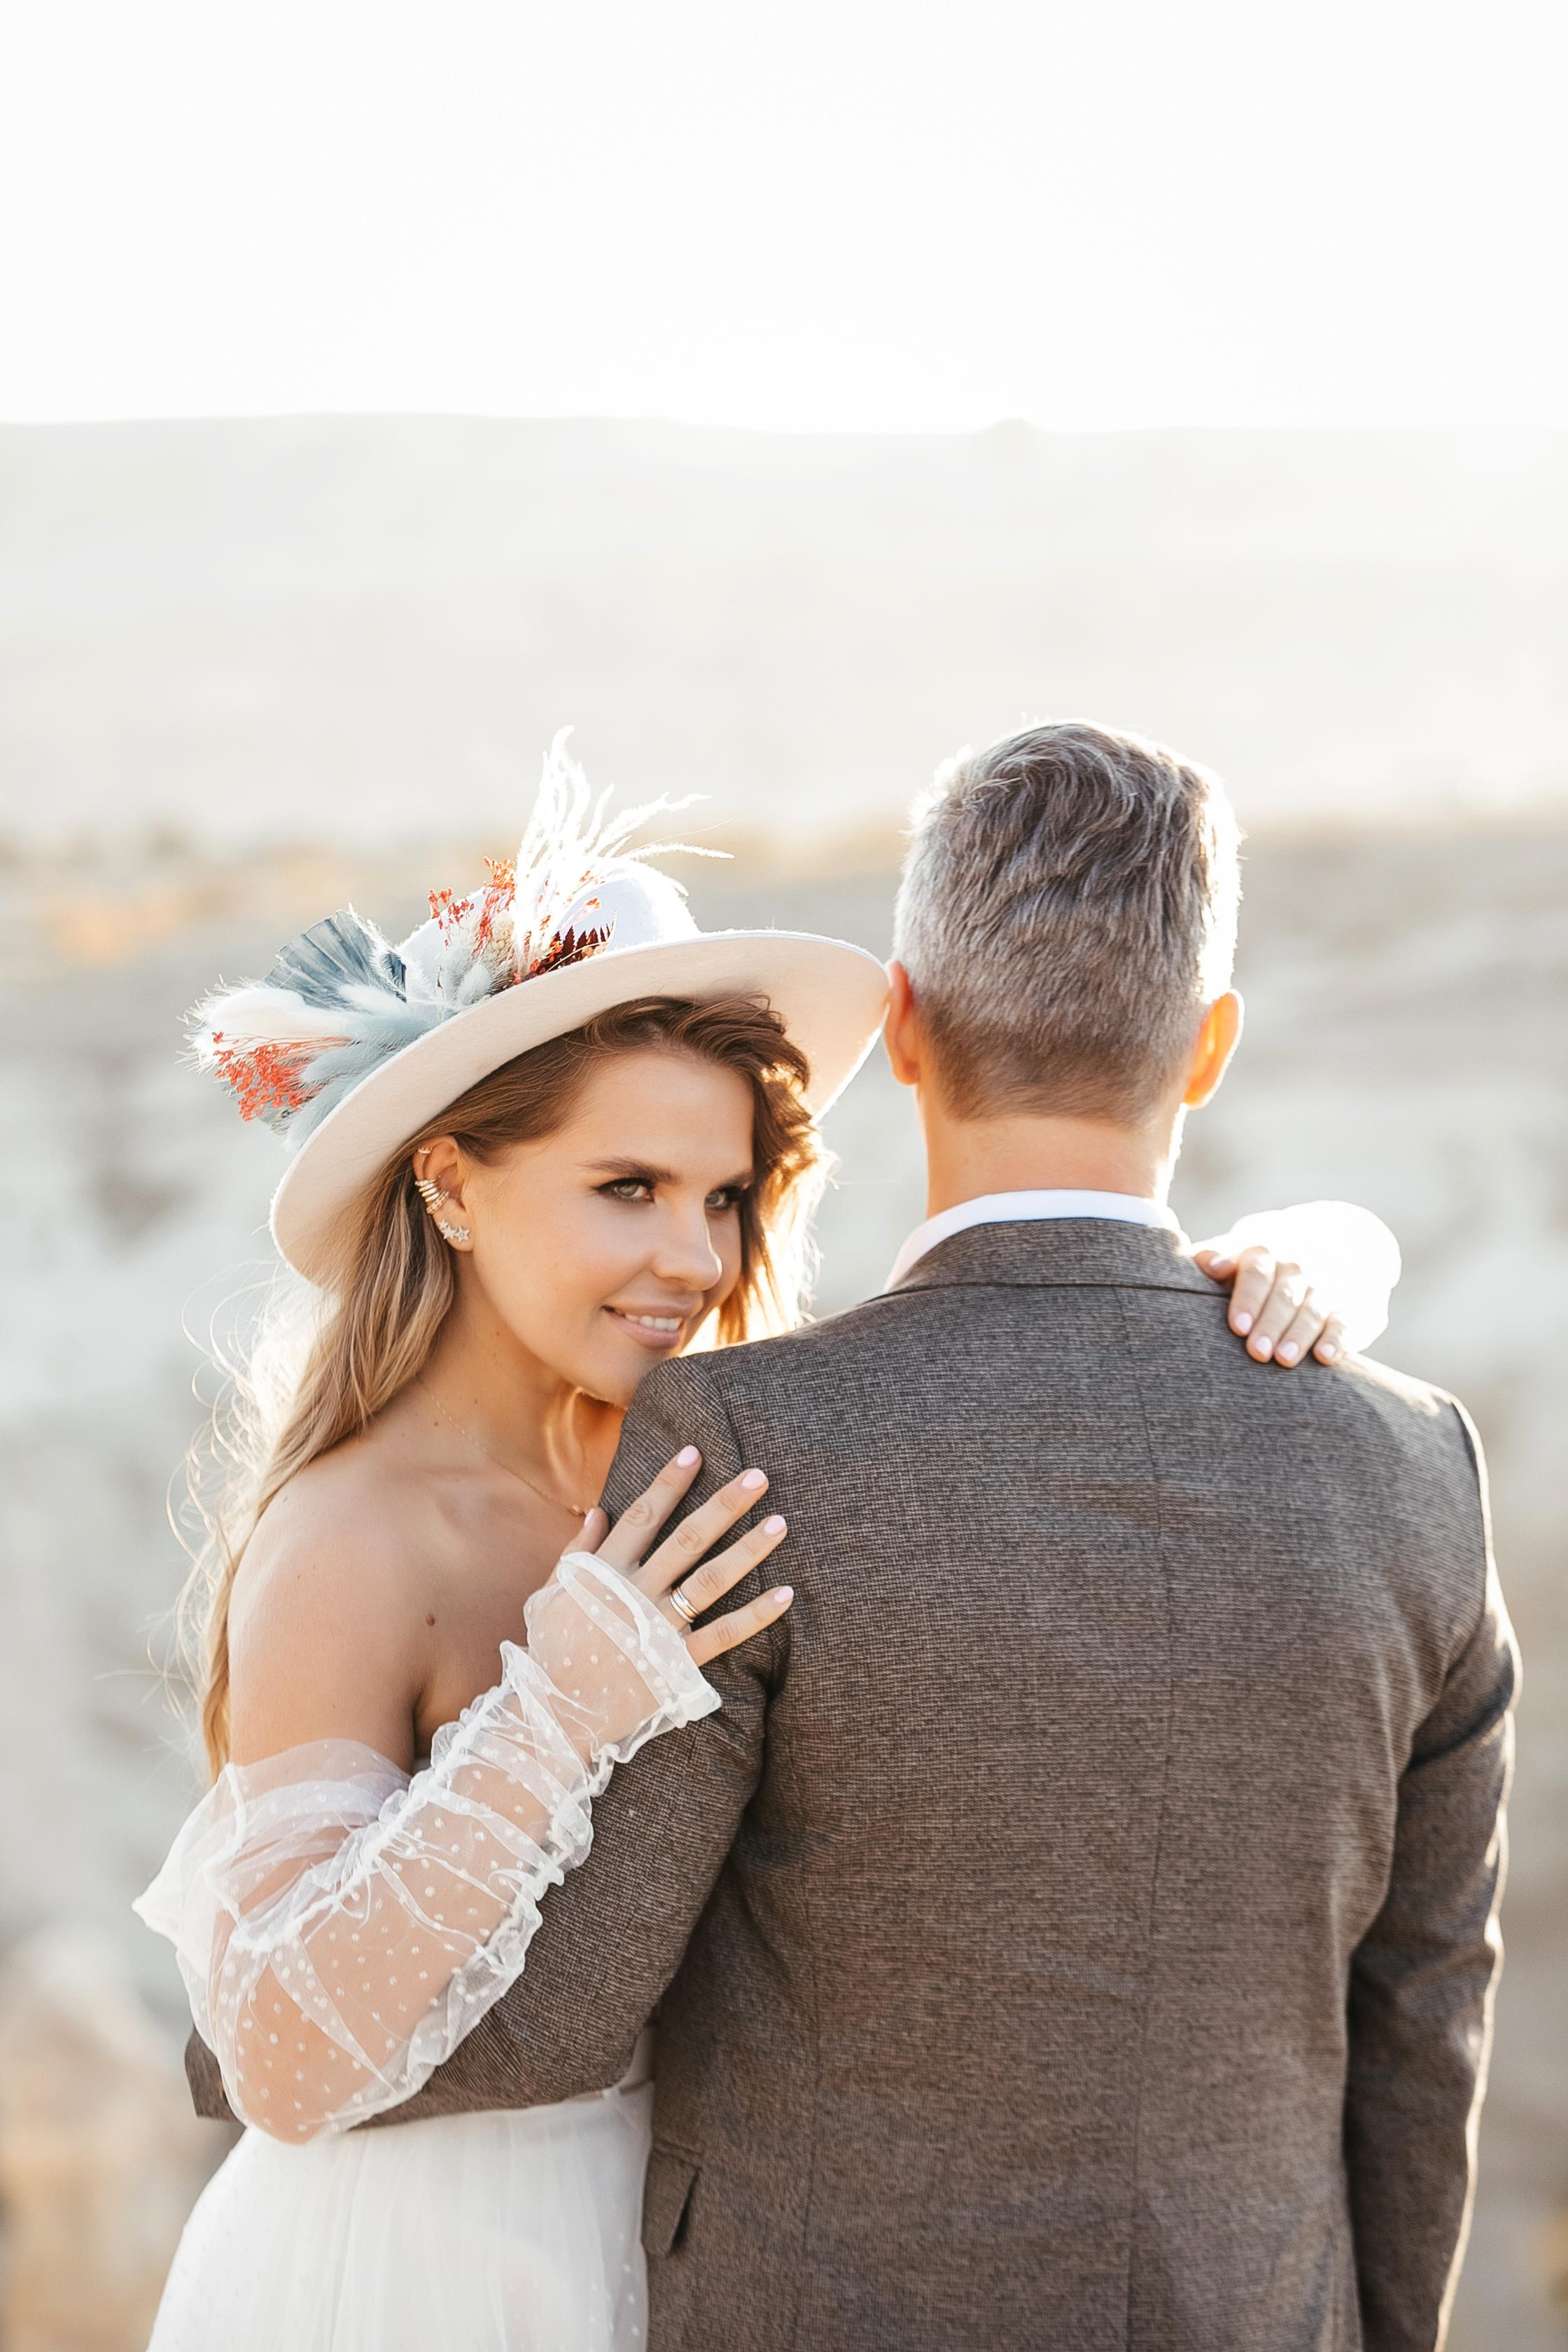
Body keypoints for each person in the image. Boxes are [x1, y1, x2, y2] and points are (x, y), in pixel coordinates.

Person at [150, 731, 1418, 2351]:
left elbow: (1019, 1362)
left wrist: (1314, 1255)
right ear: (454, 1184)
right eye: (626, 1188)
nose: (691, 1256)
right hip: (417, 2266)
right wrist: (552, 1715)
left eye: (725, 1196)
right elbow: (269, 2052)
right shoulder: (351, 1535)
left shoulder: (721, 1447)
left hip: (681, 2247)